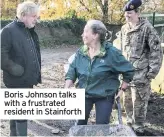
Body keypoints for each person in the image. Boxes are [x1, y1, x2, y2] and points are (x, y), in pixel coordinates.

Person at [65, 20, 134, 125]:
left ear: (95, 35)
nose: (82, 34)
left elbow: (128, 70)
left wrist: (122, 89)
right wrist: (67, 87)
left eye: (85, 31)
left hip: (104, 96)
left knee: (101, 126)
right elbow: (72, 70)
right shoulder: (81, 52)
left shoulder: (111, 53)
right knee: (79, 123)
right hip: (84, 94)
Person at [120, 0, 163, 132]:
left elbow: (156, 51)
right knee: (126, 101)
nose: (127, 16)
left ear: (138, 12)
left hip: (141, 74)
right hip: (126, 74)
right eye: (126, 13)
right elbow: (123, 50)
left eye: (130, 13)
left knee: (139, 103)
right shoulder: (124, 28)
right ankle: (128, 125)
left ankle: (139, 128)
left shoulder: (147, 28)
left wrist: (151, 73)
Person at [1, 1, 41, 136]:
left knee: (17, 112)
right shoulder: (7, 31)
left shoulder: (29, 31)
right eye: (34, 16)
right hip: (16, 81)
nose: (36, 19)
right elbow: (1, 55)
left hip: (27, 80)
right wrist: (14, 69)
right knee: (21, 113)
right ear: (24, 15)